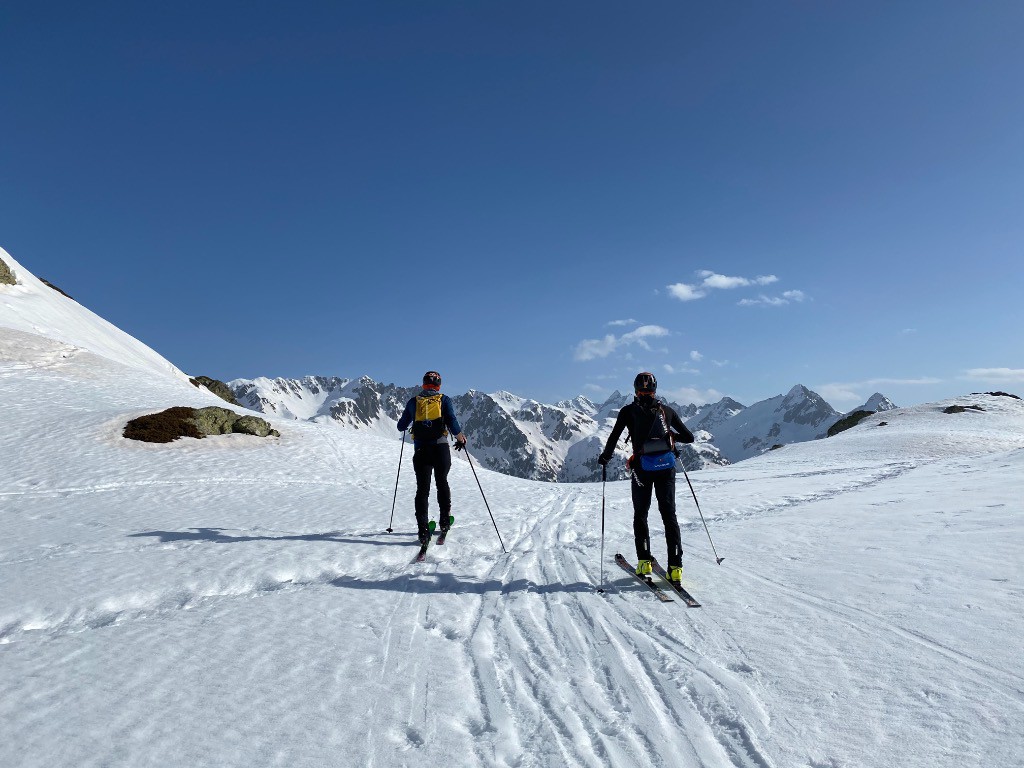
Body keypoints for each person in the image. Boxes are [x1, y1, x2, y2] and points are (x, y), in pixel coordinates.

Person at [598, 372, 694, 586]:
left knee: (641, 514)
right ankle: (675, 569)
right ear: (655, 390)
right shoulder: (667, 411)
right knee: (669, 516)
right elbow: (689, 437)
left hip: (642, 469)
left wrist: (605, 457)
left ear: (635, 390)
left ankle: (644, 563)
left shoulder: (628, 411)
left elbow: (614, 437)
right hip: (666, 468)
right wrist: (671, 436)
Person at [396, 371, 468, 545]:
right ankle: (444, 522)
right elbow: (451, 421)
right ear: (439, 385)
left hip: (421, 450)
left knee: (422, 490)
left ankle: (423, 530)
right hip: (440, 449)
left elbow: (401, 426)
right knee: (442, 482)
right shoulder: (444, 400)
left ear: (423, 384)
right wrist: (460, 438)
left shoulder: (414, 402)